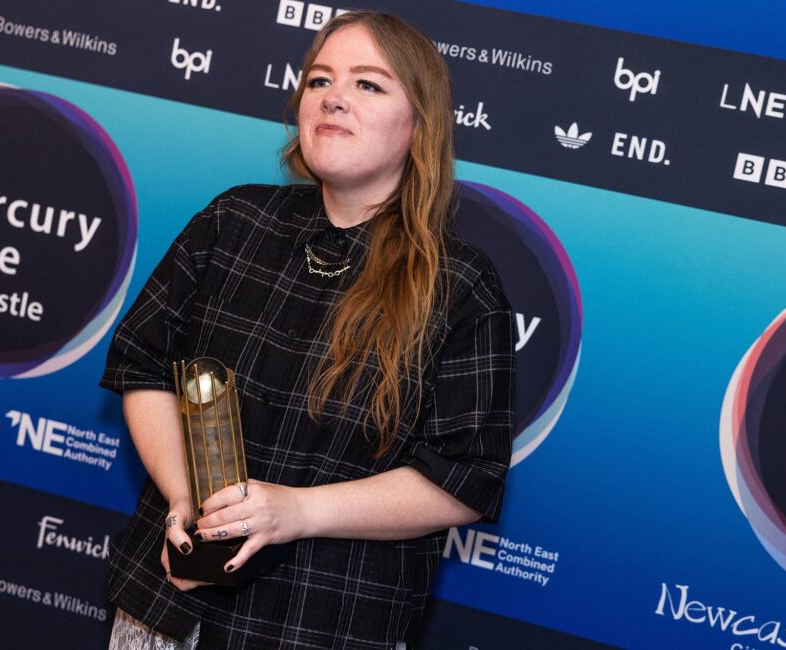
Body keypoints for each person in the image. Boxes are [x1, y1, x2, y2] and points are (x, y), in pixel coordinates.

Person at [100, 11, 514, 649]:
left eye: (369, 85)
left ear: (420, 127)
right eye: (320, 80)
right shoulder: (233, 220)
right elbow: (144, 367)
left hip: (323, 626)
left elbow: (462, 479)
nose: (334, 97)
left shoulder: (460, 286)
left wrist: (296, 511)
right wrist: (194, 504)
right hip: (165, 609)